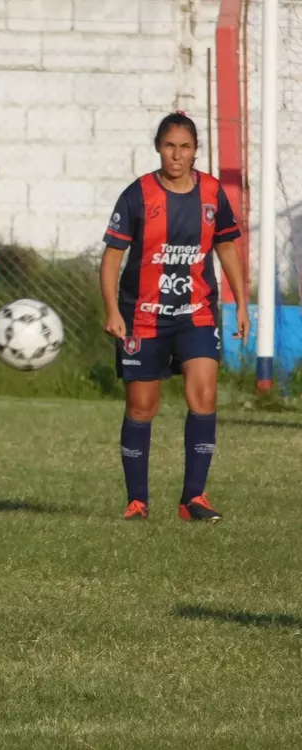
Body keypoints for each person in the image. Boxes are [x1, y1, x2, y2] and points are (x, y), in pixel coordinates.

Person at [100, 111, 248, 523]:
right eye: (169, 146)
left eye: (185, 147)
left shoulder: (212, 194)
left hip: (196, 313)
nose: (177, 155)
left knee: (204, 394)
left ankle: (193, 499)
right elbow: (112, 257)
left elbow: (228, 249)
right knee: (141, 406)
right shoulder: (137, 195)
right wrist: (112, 310)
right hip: (142, 317)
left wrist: (240, 302)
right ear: (158, 148)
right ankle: (137, 501)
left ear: (196, 151)